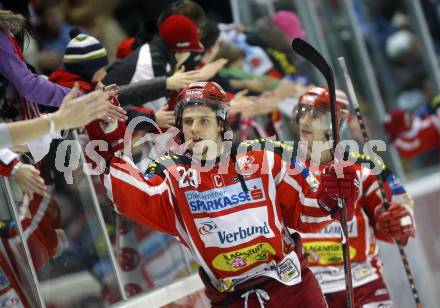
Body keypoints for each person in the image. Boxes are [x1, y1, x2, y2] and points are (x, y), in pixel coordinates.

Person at [86, 81, 360, 307]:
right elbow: (129, 197)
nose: (194, 128)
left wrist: (332, 198)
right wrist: (108, 137)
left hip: (293, 291)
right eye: (188, 121)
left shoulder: (265, 155)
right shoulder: (170, 174)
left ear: (220, 123)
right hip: (232, 299)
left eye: (203, 120)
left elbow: (308, 212)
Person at [292, 87, 416, 307]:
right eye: (302, 110)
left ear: (337, 121)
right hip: (307, 290)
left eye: (317, 113)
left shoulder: (366, 168)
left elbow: (400, 222)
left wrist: (397, 221)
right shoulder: (281, 170)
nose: (306, 120)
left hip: (363, 285)